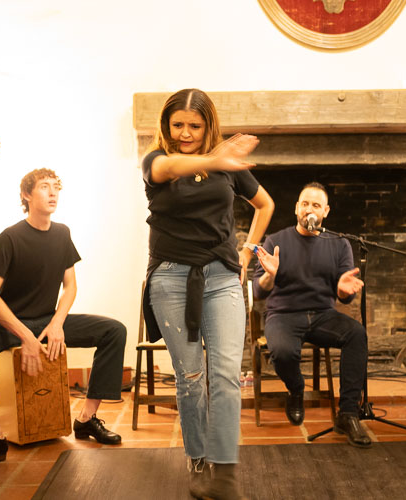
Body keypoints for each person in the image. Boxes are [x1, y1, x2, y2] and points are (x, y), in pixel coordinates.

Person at [142, 88, 274, 500]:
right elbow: (168, 167)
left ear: (207, 125)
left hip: (221, 277)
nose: (185, 132)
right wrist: (213, 159)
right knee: (191, 378)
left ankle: (225, 473)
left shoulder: (228, 166)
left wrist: (248, 253)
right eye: (178, 124)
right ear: (166, 125)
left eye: (194, 126)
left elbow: (265, 205)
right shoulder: (156, 161)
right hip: (170, 277)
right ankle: (197, 459)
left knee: (226, 377)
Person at [0, 168, 126, 462]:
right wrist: (25, 336)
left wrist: (57, 323)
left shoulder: (62, 233)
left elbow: (70, 286)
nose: (53, 192)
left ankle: (86, 419)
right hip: (7, 324)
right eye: (44, 187)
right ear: (26, 195)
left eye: (56, 187)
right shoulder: (10, 237)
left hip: (46, 321)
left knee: (114, 330)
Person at [252, 182, 371, 448]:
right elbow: (258, 292)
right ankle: (296, 389)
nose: (309, 209)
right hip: (283, 315)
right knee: (282, 352)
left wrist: (342, 291)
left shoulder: (339, 244)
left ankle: (348, 414)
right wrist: (270, 276)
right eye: (304, 203)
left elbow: (347, 295)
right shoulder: (275, 241)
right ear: (296, 208)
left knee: (356, 334)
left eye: (316, 205)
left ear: (325, 211)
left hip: (322, 315)